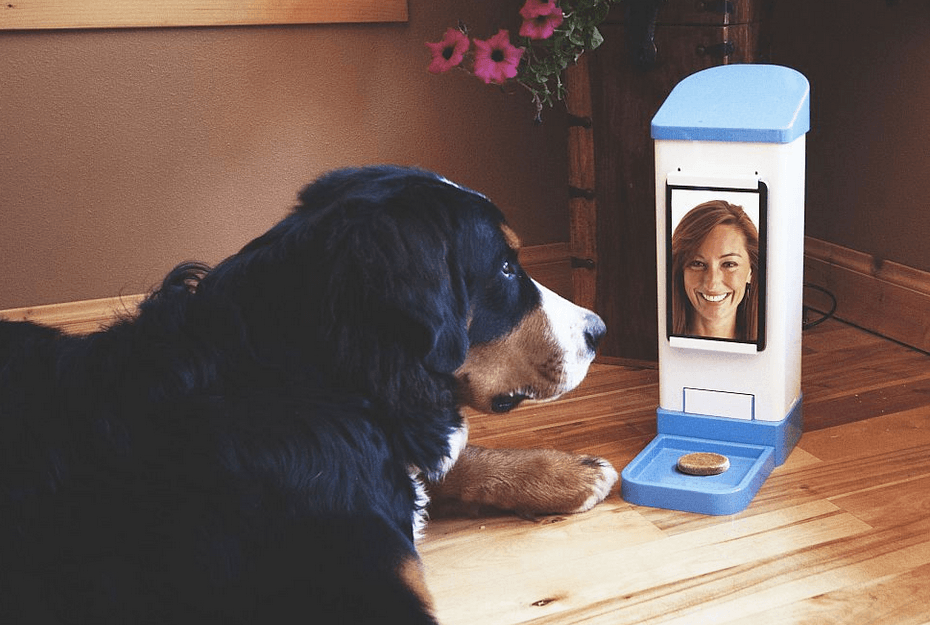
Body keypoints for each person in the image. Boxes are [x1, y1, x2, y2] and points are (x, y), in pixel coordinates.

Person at [670, 200, 760, 341]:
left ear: (751, 272)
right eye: (697, 263)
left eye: (729, 264)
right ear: (681, 271)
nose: (712, 283)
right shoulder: (653, 349)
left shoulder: (773, 350)